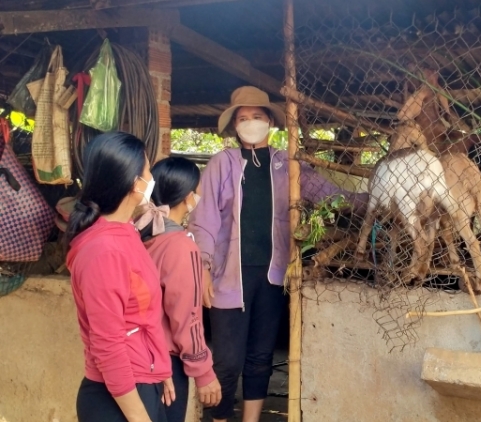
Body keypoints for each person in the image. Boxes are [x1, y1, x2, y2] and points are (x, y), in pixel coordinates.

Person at [188, 86, 368, 422]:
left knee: (260, 355)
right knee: (227, 361)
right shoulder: (221, 163)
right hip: (228, 276)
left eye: (257, 116)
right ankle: (220, 418)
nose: (251, 122)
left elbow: (328, 195)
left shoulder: (286, 164)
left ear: (270, 121)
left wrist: (372, 200)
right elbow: (205, 221)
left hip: (272, 275)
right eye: (243, 118)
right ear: (234, 126)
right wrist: (202, 265)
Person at [65, 132, 174, 422]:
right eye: (148, 170)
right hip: (118, 400)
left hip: (141, 383)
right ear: (134, 183)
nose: (152, 178)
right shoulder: (103, 250)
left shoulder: (126, 232)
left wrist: (160, 369)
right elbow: (108, 343)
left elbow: (141, 318)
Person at [134, 157, 223, 422]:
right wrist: (204, 372)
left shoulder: (138, 235)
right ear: (188, 197)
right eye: (197, 191)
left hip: (135, 355)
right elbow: (187, 317)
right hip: (165, 365)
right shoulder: (181, 247)